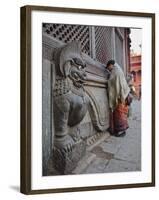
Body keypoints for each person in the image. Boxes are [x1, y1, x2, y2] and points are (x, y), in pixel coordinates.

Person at [106, 60, 132, 137]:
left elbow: (112, 82)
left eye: (108, 67)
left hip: (120, 97)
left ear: (111, 65)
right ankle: (121, 130)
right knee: (122, 113)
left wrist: (109, 79)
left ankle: (121, 131)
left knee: (120, 114)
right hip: (124, 94)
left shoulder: (115, 71)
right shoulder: (118, 69)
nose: (108, 69)